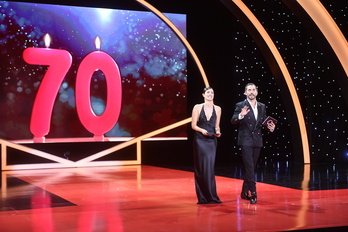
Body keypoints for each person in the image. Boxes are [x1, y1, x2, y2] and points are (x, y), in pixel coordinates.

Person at [231, 83, 275, 204]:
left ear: (257, 92)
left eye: (253, 90)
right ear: (245, 93)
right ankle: (253, 192)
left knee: (251, 167)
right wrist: (241, 115)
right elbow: (233, 120)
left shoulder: (262, 106)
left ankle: (244, 192)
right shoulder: (240, 105)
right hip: (245, 140)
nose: (251, 92)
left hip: (257, 140)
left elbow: (263, 122)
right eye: (249, 90)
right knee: (249, 166)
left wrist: (270, 127)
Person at [191, 87, 222, 204]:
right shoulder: (197, 107)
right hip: (200, 140)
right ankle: (203, 197)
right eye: (208, 92)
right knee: (201, 168)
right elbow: (193, 125)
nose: (210, 94)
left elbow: (217, 126)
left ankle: (212, 196)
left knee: (209, 168)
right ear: (203, 94)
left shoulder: (218, 109)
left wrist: (218, 132)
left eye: (212, 92)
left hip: (211, 141)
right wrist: (202, 130)